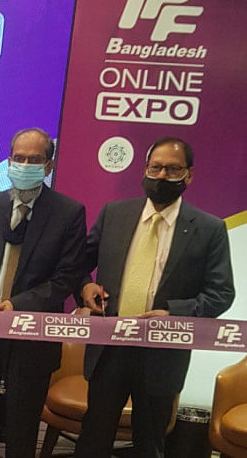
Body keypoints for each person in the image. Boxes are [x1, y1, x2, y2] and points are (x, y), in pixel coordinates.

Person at [73, 137, 234, 458]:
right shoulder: (114, 214)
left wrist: (173, 314)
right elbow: (78, 264)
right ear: (145, 169)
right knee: (93, 440)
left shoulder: (209, 229)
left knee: (150, 444)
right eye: (155, 167)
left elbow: (221, 294)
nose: (162, 176)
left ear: (188, 175)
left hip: (162, 354)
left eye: (172, 169)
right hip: (109, 348)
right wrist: (84, 286)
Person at [0, 128, 86, 458]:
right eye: (19, 158)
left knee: (22, 427)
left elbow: (66, 278)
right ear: (9, 161)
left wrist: (16, 305)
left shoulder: (69, 213)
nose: (25, 165)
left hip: (33, 336)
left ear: (48, 166)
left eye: (34, 160)